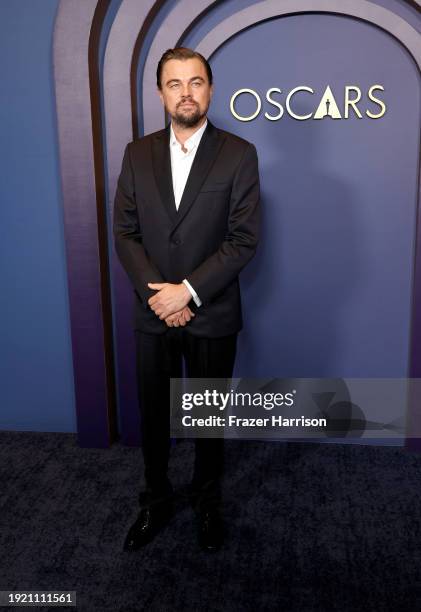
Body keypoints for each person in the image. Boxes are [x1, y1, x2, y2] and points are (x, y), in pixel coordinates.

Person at [113, 47, 260, 552]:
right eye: (175, 84)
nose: (186, 92)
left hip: (212, 311)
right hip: (153, 310)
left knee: (207, 420)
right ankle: (154, 503)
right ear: (160, 93)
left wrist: (188, 292)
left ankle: (207, 504)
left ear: (211, 89)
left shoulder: (239, 153)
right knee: (154, 417)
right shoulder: (137, 153)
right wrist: (161, 295)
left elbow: (243, 239)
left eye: (196, 82)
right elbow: (125, 233)